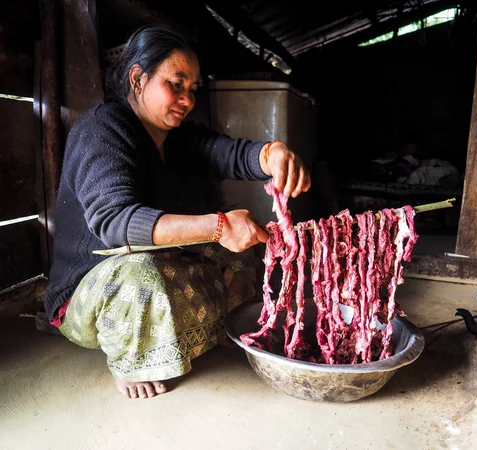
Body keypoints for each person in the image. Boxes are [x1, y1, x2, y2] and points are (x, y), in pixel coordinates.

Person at [43, 24, 310, 399]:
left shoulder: (177, 136)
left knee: (241, 257)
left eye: (192, 89)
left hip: (156, 262)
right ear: (138, 78)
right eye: (176, 83)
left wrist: (273, 153)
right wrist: (218, 226)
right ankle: (131, 357)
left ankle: (205, 332)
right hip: (89, 287)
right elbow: (116, 221)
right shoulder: (102, 130)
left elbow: (229, 154)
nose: (187, 99)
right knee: (142, 276)